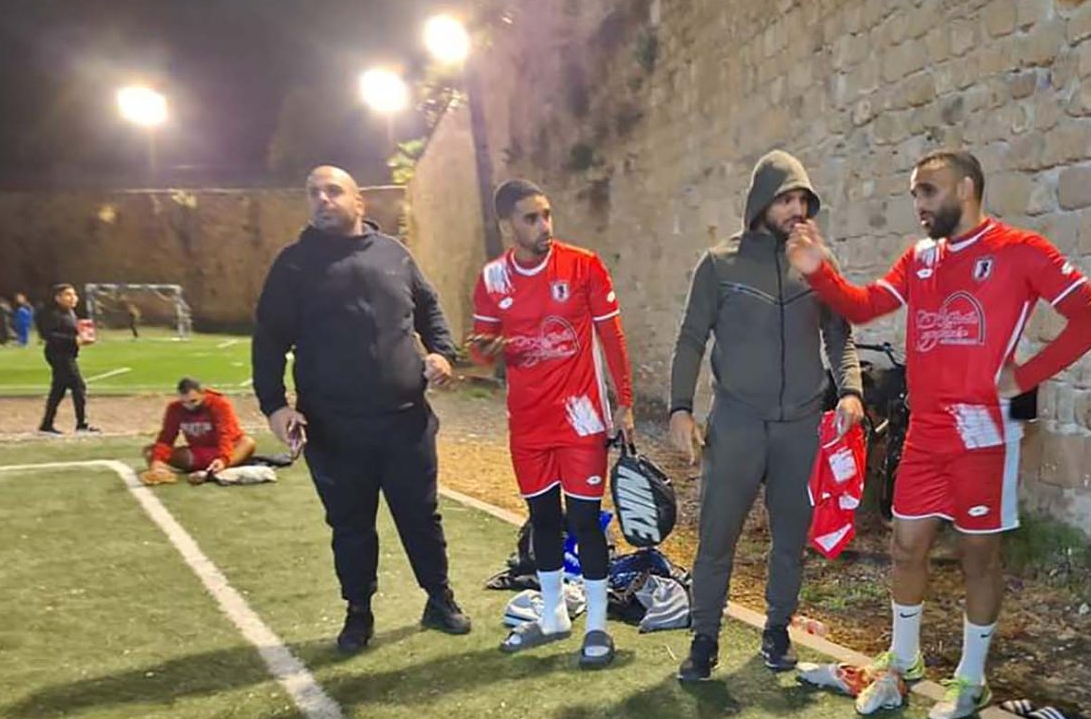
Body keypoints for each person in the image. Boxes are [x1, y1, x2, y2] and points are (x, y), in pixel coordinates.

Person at [786, 149, 1091, 719]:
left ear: (965, 188)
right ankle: (904, 660)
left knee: (977, 558)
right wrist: (820, 271)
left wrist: (1027, 376)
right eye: (915, 192)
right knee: (905, 546)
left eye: (929, 191)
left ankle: (971, 679)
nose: (918, 204)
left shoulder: (1020, 251)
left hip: (983, 436)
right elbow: (864, 307)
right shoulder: (920, 258)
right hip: (926, 433)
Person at [252, 165, 470, 654]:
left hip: (406, 421)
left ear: (359, 202)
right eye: (313, 192)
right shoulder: (294, 266)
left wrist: (442, 353)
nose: (322, 199)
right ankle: (358, 612)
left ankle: (439, 598)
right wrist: (275, 406)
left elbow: (429, 308)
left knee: (421, 516)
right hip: (334, 429)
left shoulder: (393, 254)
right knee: (351, 526)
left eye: (333, 191)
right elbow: (268, 340)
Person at [668, 150, 864, 682]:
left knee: (790, 539)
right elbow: (690, 339)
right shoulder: (719, 265)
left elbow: (840, 336)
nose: (796, 209)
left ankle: (777, 629)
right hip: (737, 422)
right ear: (760, 203)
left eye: (803, 200)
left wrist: (850, 391)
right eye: (785, 199)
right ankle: (704, 638)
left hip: (799, 424)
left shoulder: (818, 263)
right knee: (717, 537)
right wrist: (681, 408)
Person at [469, 179, 635, 668]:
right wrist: (484, 350)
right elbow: (480, 349)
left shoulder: (583, 265)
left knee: (583, 521)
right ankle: (554, 614)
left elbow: (612, 335)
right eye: (531, 218)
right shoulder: (493, 279)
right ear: (507, 226)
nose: (544, 225)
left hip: (581, 419)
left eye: (546, 214)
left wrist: (624, 403)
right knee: (542, 519)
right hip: (527, 424)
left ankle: (598, 626)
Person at [143, 377, 257, 484]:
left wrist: (223, 459)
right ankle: (214, 469)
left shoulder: (220, 404)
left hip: (227, 450)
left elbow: (226, 434)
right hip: (196, 453)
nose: (189, 406)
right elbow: (166, 437)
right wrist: (157, 460)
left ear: (203, 394)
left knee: (247, 442)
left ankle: (220, 467)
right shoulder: (175, 408)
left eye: (193, 401)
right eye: (184, 402)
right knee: (150, 452)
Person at [35, 283, 96, 435]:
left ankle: (46, 424)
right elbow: (49, 335)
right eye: (68, 294)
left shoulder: (70, 313)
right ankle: (82, 425)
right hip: (58, 354)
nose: (73, 298)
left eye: (74, 294)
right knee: (79, 386)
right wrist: (74, 340)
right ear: (58, 298)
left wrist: (84, 337)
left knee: (59, 389)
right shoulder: (51, 313)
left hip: (68, 354)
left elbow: (71, 333)